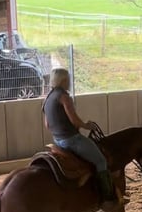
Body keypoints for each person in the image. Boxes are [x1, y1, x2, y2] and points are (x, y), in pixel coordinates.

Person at [42, 68, 117, 202]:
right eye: (68, 79)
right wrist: (87, 125)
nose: (69, 82)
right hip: (72, 140)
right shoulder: (64, 97)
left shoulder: (47, 98)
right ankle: (108, 198)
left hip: (57, 141)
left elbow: (47, 125)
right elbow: (74, 120)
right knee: (101, 161)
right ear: (64, 80)